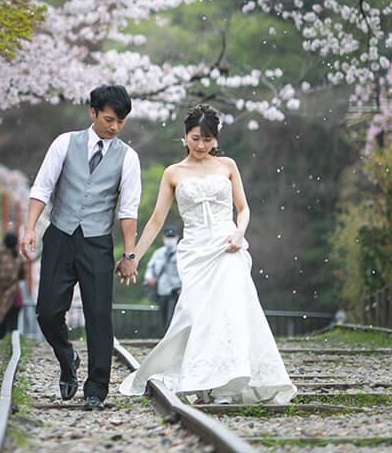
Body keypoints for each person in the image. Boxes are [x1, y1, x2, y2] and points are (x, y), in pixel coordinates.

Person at [119, 105, 295, 404]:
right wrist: (133, 256)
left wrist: (240, 233)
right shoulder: (173, 172)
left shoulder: (227, 165)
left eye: (208, 139)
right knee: (197, 314)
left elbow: (243, 208)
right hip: (195, 251)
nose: (201, 145)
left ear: (216, 139)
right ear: (184, 136)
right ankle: (202, 378)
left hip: (228, 245)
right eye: (195, 138)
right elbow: (157, 220)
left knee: (231, 310)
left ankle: (229, 383)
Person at [19, 85, 142, 411]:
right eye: (109, 118)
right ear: (93, 112)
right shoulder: (64, 143)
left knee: (99, 316)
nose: (114, 127)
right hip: (60, 236)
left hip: (97, 242)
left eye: (121, 121)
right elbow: (42, 186)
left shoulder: (128, 157)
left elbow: (128, 210)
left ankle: (95, 390)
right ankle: (66, 355)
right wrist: (30, 227)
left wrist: (129, 254)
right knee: (47, 311)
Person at [144, 226, 182, 331]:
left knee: (172, 319)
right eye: (168, 237)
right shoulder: (158, 253)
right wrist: (149, 278)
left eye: (172, 237)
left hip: (176, 292)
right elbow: (150, 268)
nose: (170, 239)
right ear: (163, 238)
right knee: (165, 317)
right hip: (162, 290)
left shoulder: (181, 252)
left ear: (177, 237)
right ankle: (166, 338)